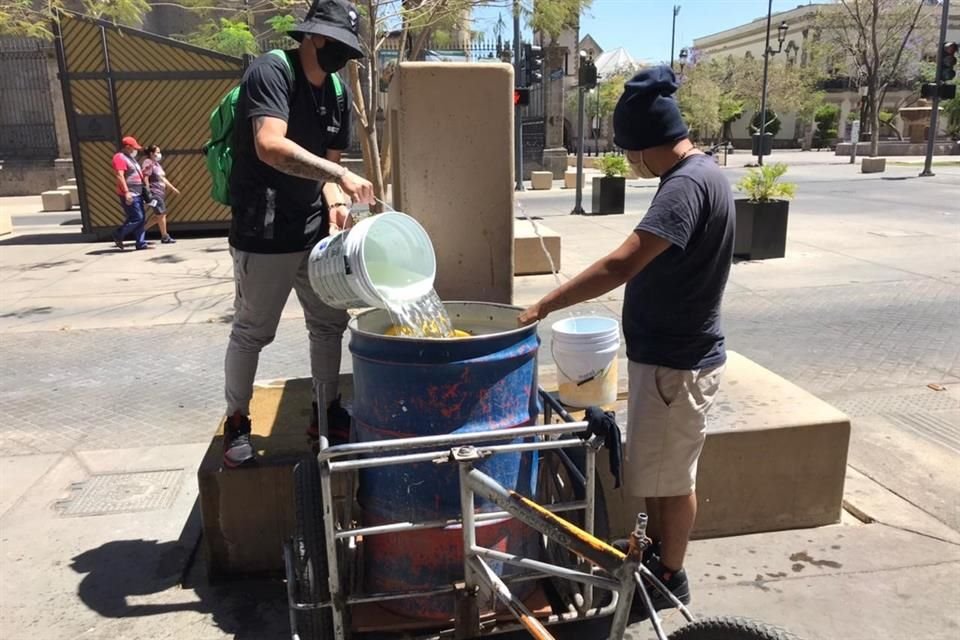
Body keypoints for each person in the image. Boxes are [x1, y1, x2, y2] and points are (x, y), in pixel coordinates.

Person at [518, 66, 734, 610]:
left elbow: (622, 263)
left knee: (673, 477)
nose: (630, 161)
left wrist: (545, 303)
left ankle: (671, 578)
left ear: (643, 144)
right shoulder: (702, 174)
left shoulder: (684, 187)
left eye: (630, 149)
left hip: (675, 364)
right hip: (669, 359)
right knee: (659, 474)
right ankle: (659, 560)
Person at [222, 0, 374, 468]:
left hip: (313, 231)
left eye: (349, 51)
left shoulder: (338, 93)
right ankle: (237, 421)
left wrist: (337, 203)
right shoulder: (272, 72)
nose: (342, 59)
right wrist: (337, 174)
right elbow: (269, 145)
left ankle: (325, 412)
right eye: (337, 47)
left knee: (329, 324)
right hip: (263, 230)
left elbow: (332, 170)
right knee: (253, 331)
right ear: (314, 37)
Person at [111, 136, 150, 251]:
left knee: (141, 219)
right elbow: (120, 175)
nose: (135, 150)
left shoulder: (130, 158)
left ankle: (141, 243)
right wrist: (126, 192)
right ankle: (118, 233)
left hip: (138, 192)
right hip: (130, 193)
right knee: (137, 217)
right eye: (134, 148)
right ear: (127, 147)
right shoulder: (120, 157)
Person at [141, 145, 180, 244]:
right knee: (162, 214)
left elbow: (162, 178)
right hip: (154, 192)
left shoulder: (156, 164)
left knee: (159, 215)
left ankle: (141, 230)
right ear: (151, 153)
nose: (159, 154)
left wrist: (172, 188)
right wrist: (147, 190)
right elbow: (145, 176)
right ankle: (165, 236)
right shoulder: (148, 162)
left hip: (160, 192)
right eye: (157, 152)